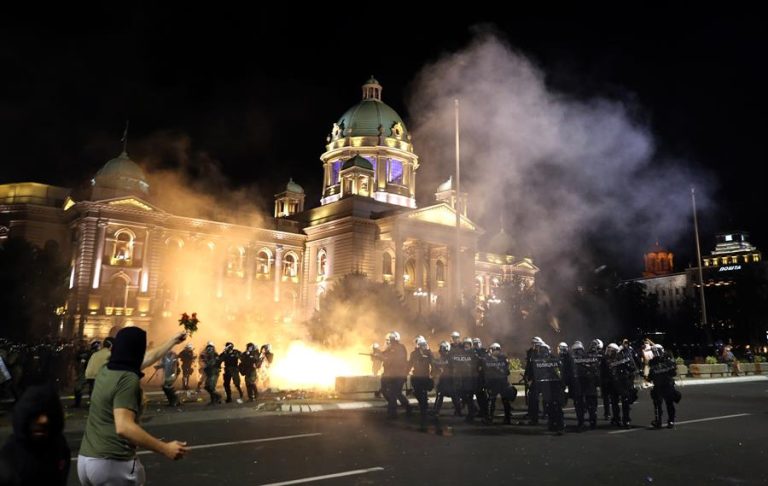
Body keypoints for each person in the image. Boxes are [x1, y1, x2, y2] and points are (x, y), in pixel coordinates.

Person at [77, 328, 190, 485]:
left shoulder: (107, 368)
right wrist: (165, 448)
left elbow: (148, 357)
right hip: (112, 463)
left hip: (86, 461)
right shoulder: (128, 379)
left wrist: (173, 340)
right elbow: (124, 426)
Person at [0, 383, 70, 485]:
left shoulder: (59, 447)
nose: (43, 420)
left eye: (47, 415)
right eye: (36, 415)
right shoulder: (10, 458)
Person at [532, 343, 566, 434]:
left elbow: (559, 374)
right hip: (549, 387)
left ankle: (559, 426)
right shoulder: (544, 361)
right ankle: (554, 425)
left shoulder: (553, 361)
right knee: (552, 407)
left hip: (553, 387)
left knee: (555, 407)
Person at [647, 344, 679, 429]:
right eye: (654, 351)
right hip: (659, 385)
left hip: (667, 384)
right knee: (658, 403)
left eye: (656, 351)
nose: (655, 353)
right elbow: (651, 375)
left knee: (669, 403)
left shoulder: (667, 360)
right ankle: (659, 421)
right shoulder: (653, 362)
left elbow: (674, 372)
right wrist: (648, 377)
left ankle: (670, 420)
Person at [571, 340, 601, 429]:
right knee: (591, 405)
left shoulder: (572, 358)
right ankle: (593, 422)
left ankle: (581, 423)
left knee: (579, 405)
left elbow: (569, 373)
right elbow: (596, 371)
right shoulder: (589, 356)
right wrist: (597, 384)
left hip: (579, 385)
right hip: (590, 384)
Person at [482, 343, 514, 425]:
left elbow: (484, 371)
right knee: (503, 400)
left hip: (495, 382)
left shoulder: (488, 358)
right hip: (501, 382)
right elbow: (507, 372)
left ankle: (490, 418)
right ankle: (507, 418)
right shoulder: (503, 358)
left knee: (493, 400)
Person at [380, 331, 409, 419]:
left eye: (391, 339)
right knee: (396, 393)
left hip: (398, 375)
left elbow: (397, 360)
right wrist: (378, 355)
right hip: (391, 375)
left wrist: (387, 358)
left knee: (393, 393)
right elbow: (383, 354)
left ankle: (392, 413)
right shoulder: (390, 348)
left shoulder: (400, 347)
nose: (390, 340)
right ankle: (407, 407)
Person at [450, 337, 479, 423]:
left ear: (471, 345)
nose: (466, 346)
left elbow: (478, 365)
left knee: (469, 397)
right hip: (463, 379)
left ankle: (471, 415)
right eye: (465, 344)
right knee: (463, 395)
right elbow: (455, 361)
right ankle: (473, 410)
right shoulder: (461, 355)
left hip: (471, 379)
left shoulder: (474, 354)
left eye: (468, 344)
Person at [409, 336, 433, 421]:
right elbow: (410, 364)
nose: (424, 346)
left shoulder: (428, 353)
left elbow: (433, 363)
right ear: (418, 345)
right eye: (422, 344)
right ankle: (423, 406)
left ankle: (424, 411)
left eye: (425, 344)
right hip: (416, 377)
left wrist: (432, 374)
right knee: (417, 393)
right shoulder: (413, 354)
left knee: (423, 393)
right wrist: (406, 372)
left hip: (425, 377)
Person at [431, 341, 451, 416]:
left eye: (443, 348)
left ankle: (459, 411)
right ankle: (436, 410)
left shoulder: (450, 357)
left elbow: (443, 364)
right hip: (443, 379)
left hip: (450, 380)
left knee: (456, 395)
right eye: (441, 348)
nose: (441, 350)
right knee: (440, 394)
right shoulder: (441, 357)